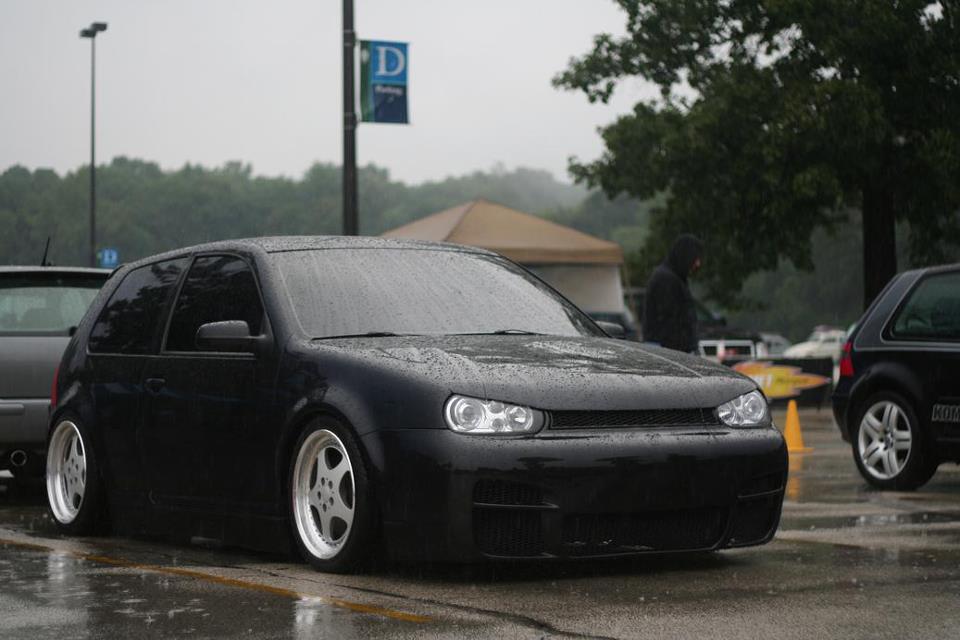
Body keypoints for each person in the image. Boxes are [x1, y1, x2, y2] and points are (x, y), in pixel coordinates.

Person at [642, 234, 703, 353]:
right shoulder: (666, 280)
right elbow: (670, 324)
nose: (698, 264)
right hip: (667, 352)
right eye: (695, 258)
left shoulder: (674, 278)